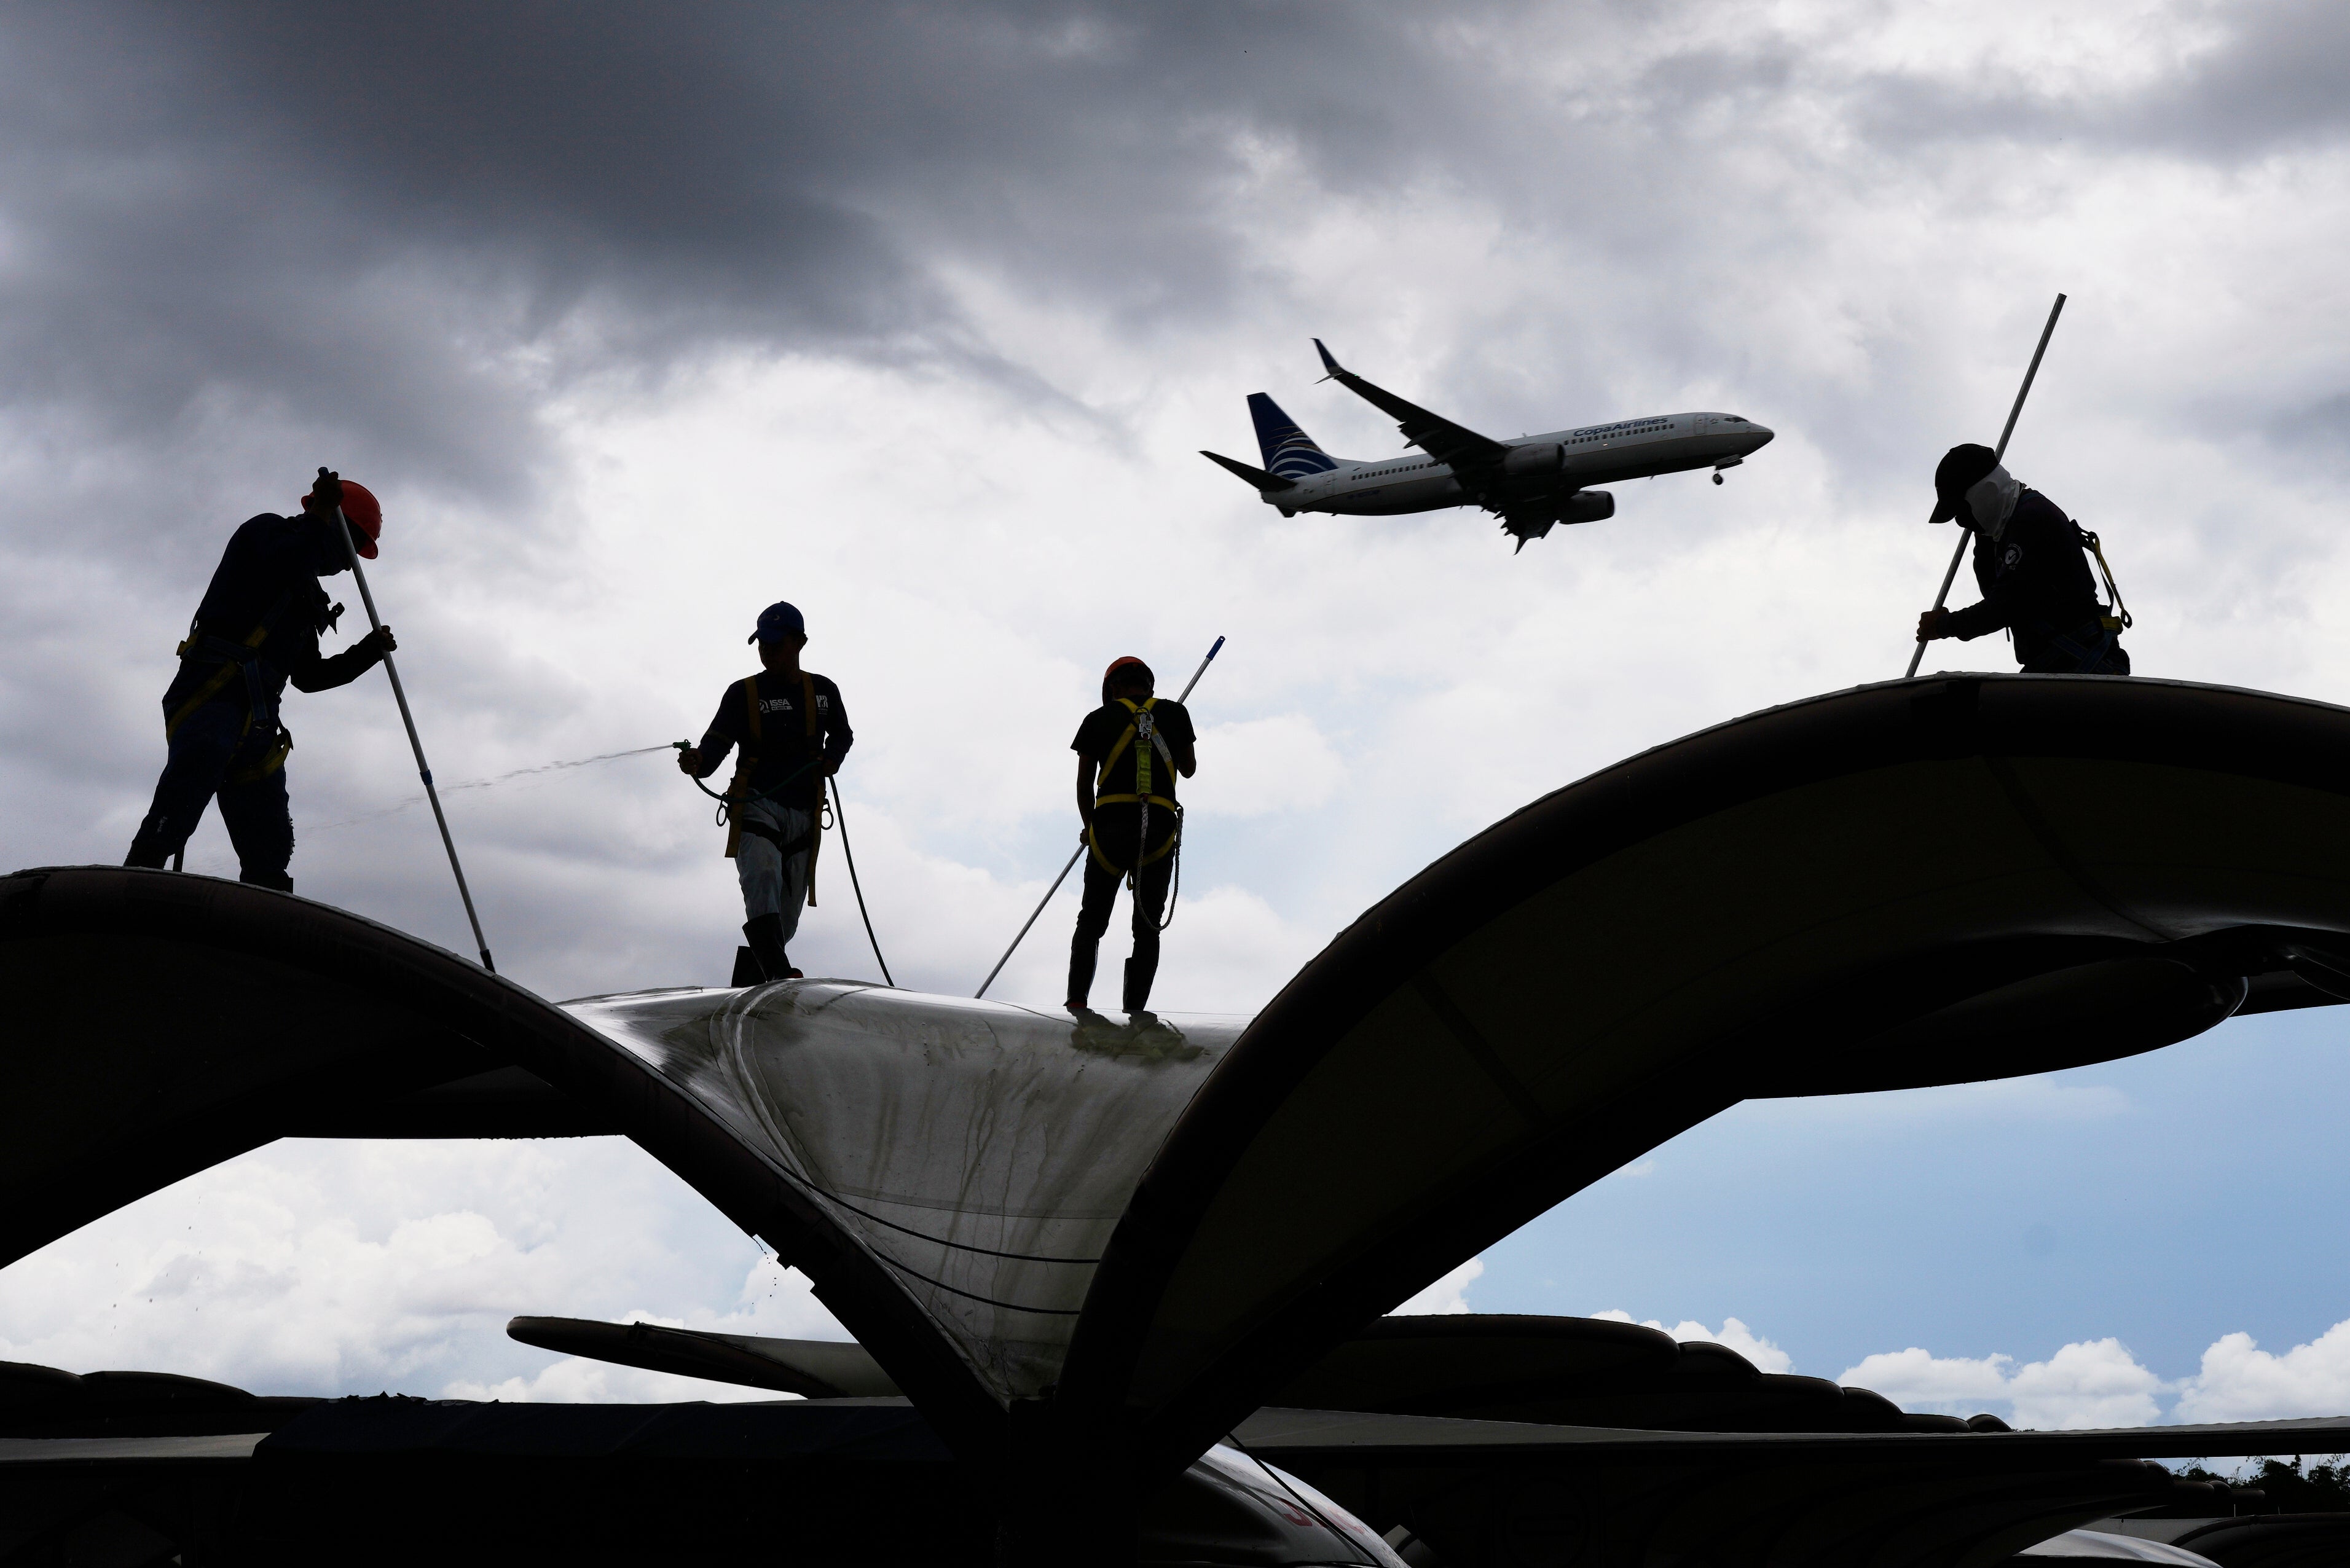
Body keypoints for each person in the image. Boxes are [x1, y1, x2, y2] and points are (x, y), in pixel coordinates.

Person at [124, 468, 396, 889]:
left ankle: (265, 907)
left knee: (269, 842)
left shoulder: (309, 598)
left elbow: (308, 676)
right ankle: (136, 883)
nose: (349, 563)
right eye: (353, 545)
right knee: (188, 788)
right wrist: (322, 512)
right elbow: (289, 559)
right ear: (334, 525)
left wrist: (368, 653)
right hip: (209, 695)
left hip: (259, 721)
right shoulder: (266, 534)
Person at [677, 601, 852, 984]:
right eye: (763, 644)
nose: (768, 651)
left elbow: (843, 734)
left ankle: (754, 980)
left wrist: (832, 760)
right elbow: (713, 750)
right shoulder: (743, 694)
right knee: (763, 874)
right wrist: (697, 761)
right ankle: (777, 973)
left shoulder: (824, 691)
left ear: (800, 643)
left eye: (777, 643)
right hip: (757, 805)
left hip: (803, 815)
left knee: (785, 920)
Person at [1914, 443, 2131, 674]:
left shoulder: (2033, 520)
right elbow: (1993, 590)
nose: (1961, 522)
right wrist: (1985, 540)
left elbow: (2002, 607)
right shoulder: (2007, 529)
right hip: (2056, 667)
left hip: (2083, 666)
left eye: (1962, 511)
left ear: (1984, 493)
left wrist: (1943, 626)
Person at [1067, 656, 1197, 1016]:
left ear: (1113, 689)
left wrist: (1088, 825)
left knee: (1091, 919)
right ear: (1150, 686)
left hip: (1108, 828)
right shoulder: (1173, 714)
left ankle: (1077, 1000)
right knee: (1148, 927)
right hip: (1157, 830)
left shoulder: (1097, 718)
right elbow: (1188, 770)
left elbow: (1083, 784)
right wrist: (1165, 735)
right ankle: (1135, 1012)